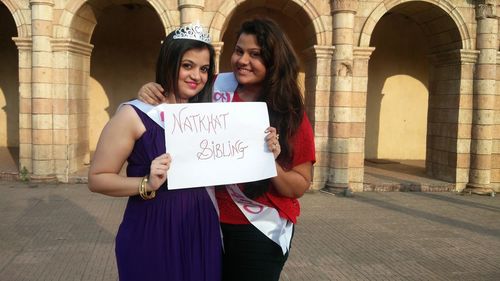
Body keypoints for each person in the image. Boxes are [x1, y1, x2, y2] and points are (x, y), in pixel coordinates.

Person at [138, 18, 315, 281]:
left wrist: (269, 161)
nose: (243, 60)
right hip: (204, 219)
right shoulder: (215, 86)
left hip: (256, 228)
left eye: (255, 54)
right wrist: (150, 90)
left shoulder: (289, 113)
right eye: (239, 50)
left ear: (274, 60)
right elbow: (177, 99)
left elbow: (299, 185)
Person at [87, 22, 222, 281]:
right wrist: (147, 183)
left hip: (201, 229)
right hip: (153, 229)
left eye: (204, 69)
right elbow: (97, 178)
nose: (197, 76)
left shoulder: (210, 116)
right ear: (169, 63)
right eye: (187, 65)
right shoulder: (134, 114)